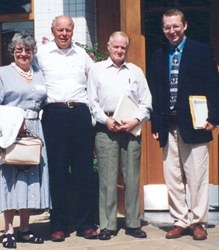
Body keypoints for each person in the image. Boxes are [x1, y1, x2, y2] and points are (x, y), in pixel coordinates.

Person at [149, 9, 219, 240]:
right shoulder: (158, 55)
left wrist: (213, 117)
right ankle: (180, 220)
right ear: (163, 29)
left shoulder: (201, 51)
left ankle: (198, 221)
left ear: (185, 26)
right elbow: (155, 94)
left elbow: (213, 86)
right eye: (167, 27)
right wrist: (155, 124)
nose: (172, 31)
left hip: (195, 124)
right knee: (173, 177)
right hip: (167, 125)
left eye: (175, 26)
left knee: (197, 176)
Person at [0, 31, 50, 248]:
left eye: (27, 50)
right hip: (13, 132)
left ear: (33, 52)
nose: (23, 54)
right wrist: (12, 117)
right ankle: (9, 230)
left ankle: (26, 229)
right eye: (19, 49)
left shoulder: (38, 73)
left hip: (34, 130)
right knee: (11, 177)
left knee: (31, 178)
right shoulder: (2, 73)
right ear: (13, 52)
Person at [36, 15, 98, 241]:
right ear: (52, 31)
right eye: (60, 30)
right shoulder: (41, 55)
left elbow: (95, 81)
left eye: (68, 30)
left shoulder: (81, 54)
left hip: (80, 114)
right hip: (54, 115)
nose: (64, 34)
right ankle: (58, 226)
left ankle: (85, 224)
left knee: (84, 171)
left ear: (73, 31)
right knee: (57, 172)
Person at [88, 31, 152, 240]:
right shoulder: (96, 70)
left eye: (123, 47)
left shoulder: (135, 71)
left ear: (127, 49)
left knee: (132, 176)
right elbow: (92, 102)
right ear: (108, 47)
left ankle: (133, 223)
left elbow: (146, 102)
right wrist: (105, 120)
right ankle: (108, 224)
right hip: (106, 127)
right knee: (107, 177)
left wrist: (135, 120)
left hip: (130, 128)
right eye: (116, 46)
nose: (119, 50)